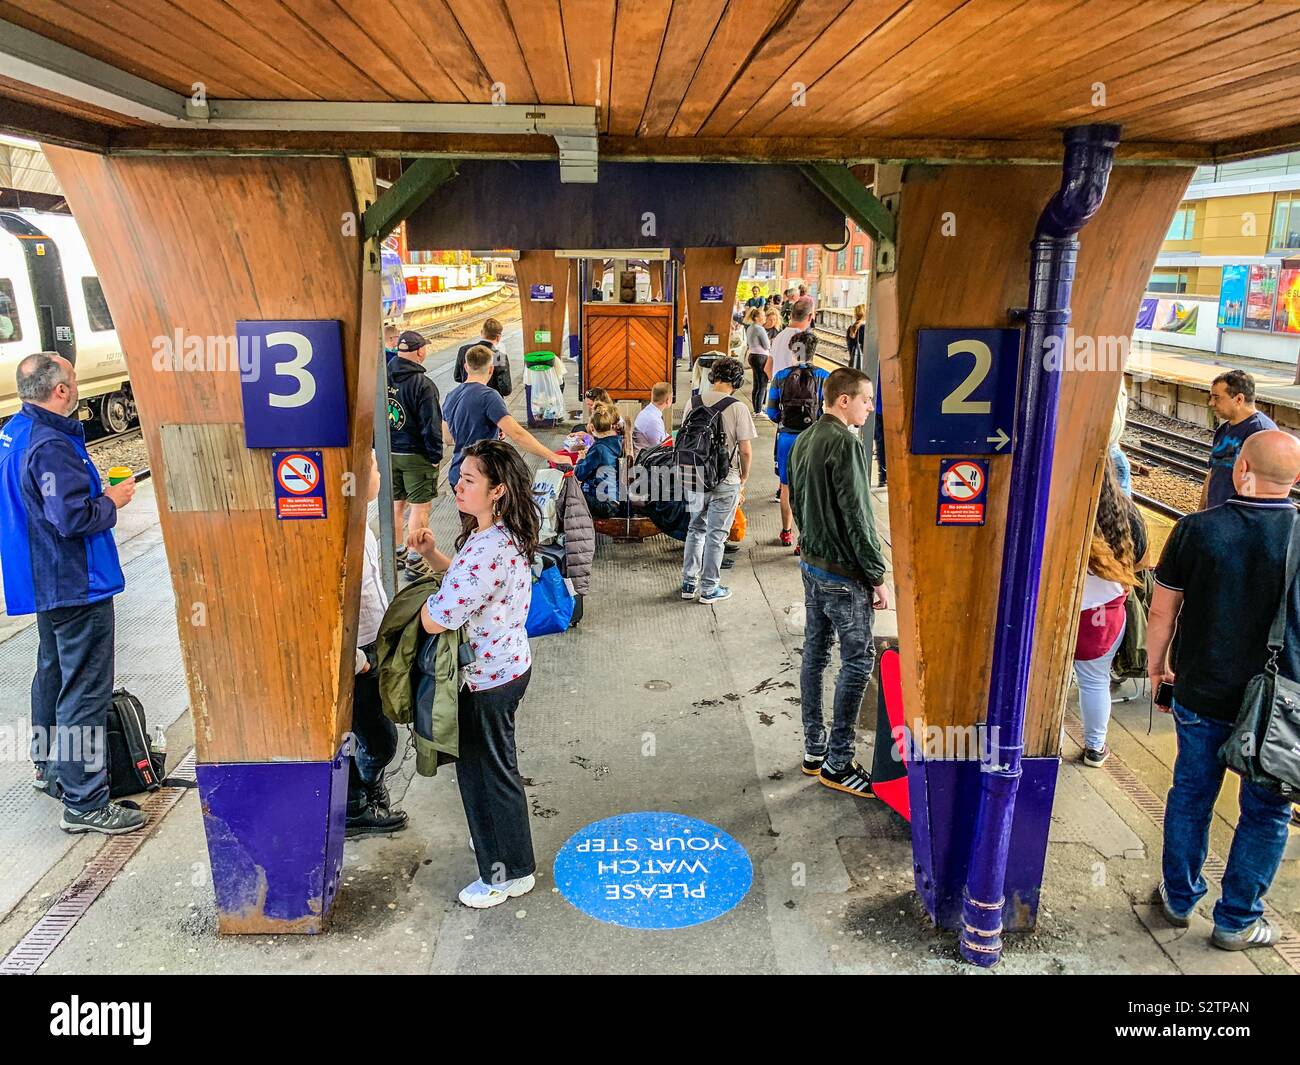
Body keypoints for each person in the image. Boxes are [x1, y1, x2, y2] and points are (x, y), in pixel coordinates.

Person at [1147, 429, 1300, 950]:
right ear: (1295, 479)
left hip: (1201, 692)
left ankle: (1177, 897)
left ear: (1240, 470)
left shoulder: (1196, 529)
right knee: (1268, 809)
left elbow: (1163, 608)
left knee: (1191, 794)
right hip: (1279, 708)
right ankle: (1236, 921)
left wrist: (1156, 666)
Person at [0, 353, 142, 834]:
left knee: (53, 673)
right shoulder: (51, 444)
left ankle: (48, 769)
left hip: (41, 579)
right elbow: (72, 518)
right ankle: (84, 801)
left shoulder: (16, 432)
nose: (78, 384)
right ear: (60, 389)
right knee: (84, 688)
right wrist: (111, 501)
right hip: (74, 582)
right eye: (74, 379)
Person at [409, 440, 540, 909]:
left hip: (486, 680)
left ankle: (507, 872)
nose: (457, 486)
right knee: (489, 769)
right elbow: (468, 585)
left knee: (487, 775)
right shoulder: (499, 534)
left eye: (469, 480)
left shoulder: (489, 546)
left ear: (498, 490)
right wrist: (434, 557)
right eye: (459, 476)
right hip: (504, 667)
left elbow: (438, 617)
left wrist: (413, 610)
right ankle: (500, 846)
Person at [789, 366, 889, 798]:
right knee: (858, 661)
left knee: (815, 654)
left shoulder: (805, 438)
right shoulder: (845, 442)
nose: (871, 406)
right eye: (866, 399)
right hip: (843, 575)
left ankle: (814, 751)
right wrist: (877, 574)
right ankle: (839, 762)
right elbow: (858, 514)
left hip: (812, 566)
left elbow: (794, 497)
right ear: (843, 400)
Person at [347, 451, 408, 836]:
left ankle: (366, 790)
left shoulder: (360, 525)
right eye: (372, 467)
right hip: (359, 655)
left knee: (379, 730)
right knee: (379, 738)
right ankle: (358, 800)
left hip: (373, 644)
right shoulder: (339, 534)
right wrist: (353, 659)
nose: (380, 474)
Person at [1072, 462, 1145, 767]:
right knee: (1094, 682)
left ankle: (1043, 745)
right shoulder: (1126, 513)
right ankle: (1094, 748)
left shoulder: (1062, 507)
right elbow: (1140, 563)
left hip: (1057, 615)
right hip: (1104, 618)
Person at [680, 357, 756, 605]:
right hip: (726, 478)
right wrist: (743, 477)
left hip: (695, 476)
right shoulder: (738, 408)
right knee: (716, 535)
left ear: (712, 378)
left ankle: (689, 583)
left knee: (695, 528)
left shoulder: (692, 403)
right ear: (736, 381)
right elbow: (745, 450)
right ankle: (710, 588)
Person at [442, 344, 567, 490]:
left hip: (458, 473)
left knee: (469, 513)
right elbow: (518, 435)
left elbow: (448, 438)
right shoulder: (489, 396)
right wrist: (554, 457)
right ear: (491, 369)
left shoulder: (451, 396)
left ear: (465, 367)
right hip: (482, 474)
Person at [387, 330, 444, 578]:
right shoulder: (423, 385)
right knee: (420, 509)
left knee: (396, 505)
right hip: (415, 455)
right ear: (420, 351)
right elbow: (430, 426)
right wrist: (434, 456)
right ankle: (415, 559)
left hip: (388, 452)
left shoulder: (384, 377)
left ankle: (397, 552)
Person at [767, 330, 831, 549]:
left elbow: (772, 413)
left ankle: (786, 532)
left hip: (786, 438)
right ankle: (805, 538)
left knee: (787, 487)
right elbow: (830, 412)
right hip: (814, 438)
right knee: (811, 487)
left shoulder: (781, 377)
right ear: (814, 351)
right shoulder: (825, 377)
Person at [1201, 369, 1276, 510]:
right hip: (1217, 516)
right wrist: (1200, 513)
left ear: (1239, 399)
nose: (1211, 403)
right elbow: (1213, 473)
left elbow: (1267, 487)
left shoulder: (1262, 432)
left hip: (1242, 521)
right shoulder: (1223, 430)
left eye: (1217, 397)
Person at [575, 403, 624, 518]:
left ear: (592, 428)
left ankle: (571, 533)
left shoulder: (599, 449)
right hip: (615, 499)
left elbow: (579, 474)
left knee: (567, 495)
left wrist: (580, 460)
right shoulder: (618, 442)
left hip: (604, 503)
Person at [453, 317, 510, 396]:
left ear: (481, 332)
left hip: (466, 397)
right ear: (498, 337)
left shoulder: (464, 350)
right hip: (491, 401)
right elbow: (506, 389)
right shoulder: (499, 356)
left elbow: (457, 377)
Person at [743, 306, 771, 415]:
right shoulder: (760, 329)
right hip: (761, 357)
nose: (765, 318)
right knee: (762, 385)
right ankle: (759, 411)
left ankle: (756, 409)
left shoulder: (750, 327)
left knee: (756, 384)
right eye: (763, 316)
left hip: (753, 355)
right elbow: (767, 345)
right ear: (757, 317)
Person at [632, 381, 672, 453]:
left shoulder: (649, 412)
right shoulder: (653, 420)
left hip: (648, 454)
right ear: (668, 399)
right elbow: (661, 447)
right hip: (647, 460)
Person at [846, 304, 866, 371]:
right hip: (863, 364)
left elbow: (850, 348)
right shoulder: (865, 329)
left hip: (853, 363)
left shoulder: (850, 328)